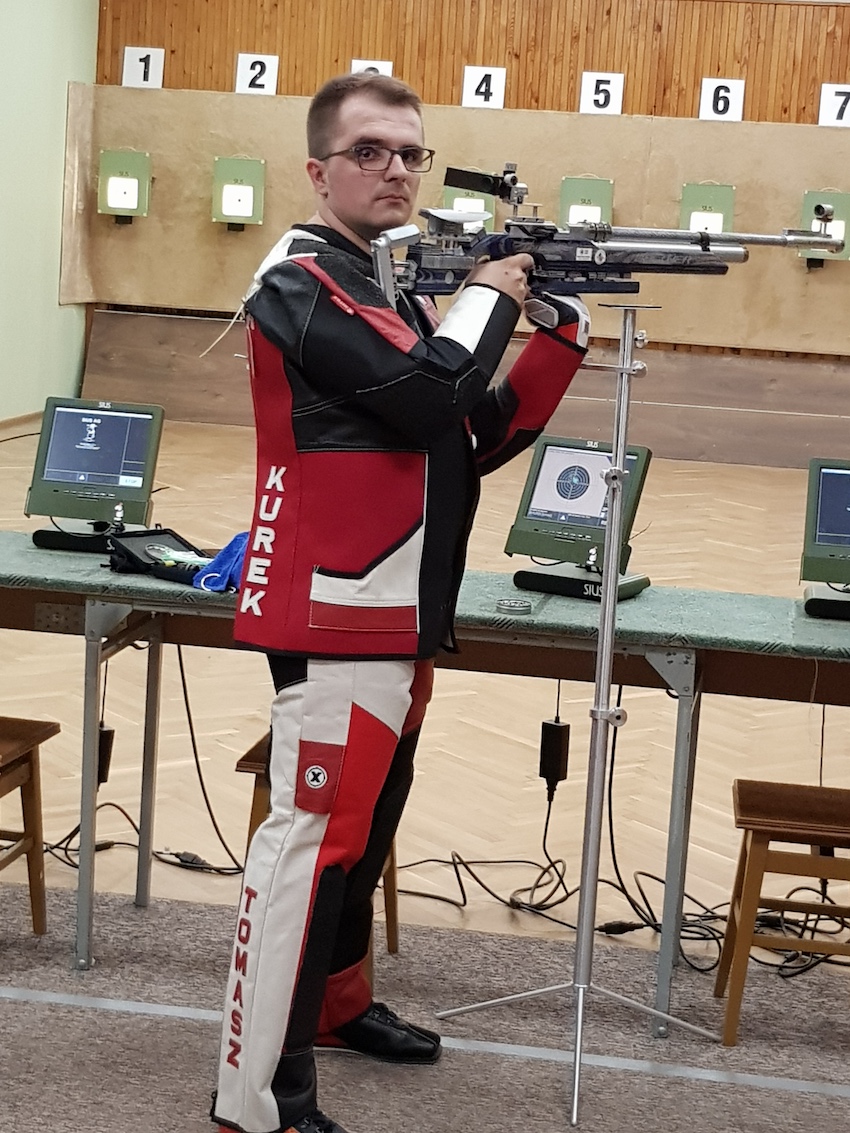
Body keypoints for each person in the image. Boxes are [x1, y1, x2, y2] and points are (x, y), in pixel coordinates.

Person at [212, 71, 590, 1133]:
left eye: (411, 153)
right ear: (317, 168)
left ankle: (336, 1008)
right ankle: (255, 1097)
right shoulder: (298, 281)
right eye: (370, 151)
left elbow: (466, 436)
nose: (397, 170)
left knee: (363, 835)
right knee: (312, 849)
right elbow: (433, 389)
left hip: (393, 610)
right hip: (336, 612)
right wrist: (492, 295)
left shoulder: (387, 291)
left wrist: (556, 334)